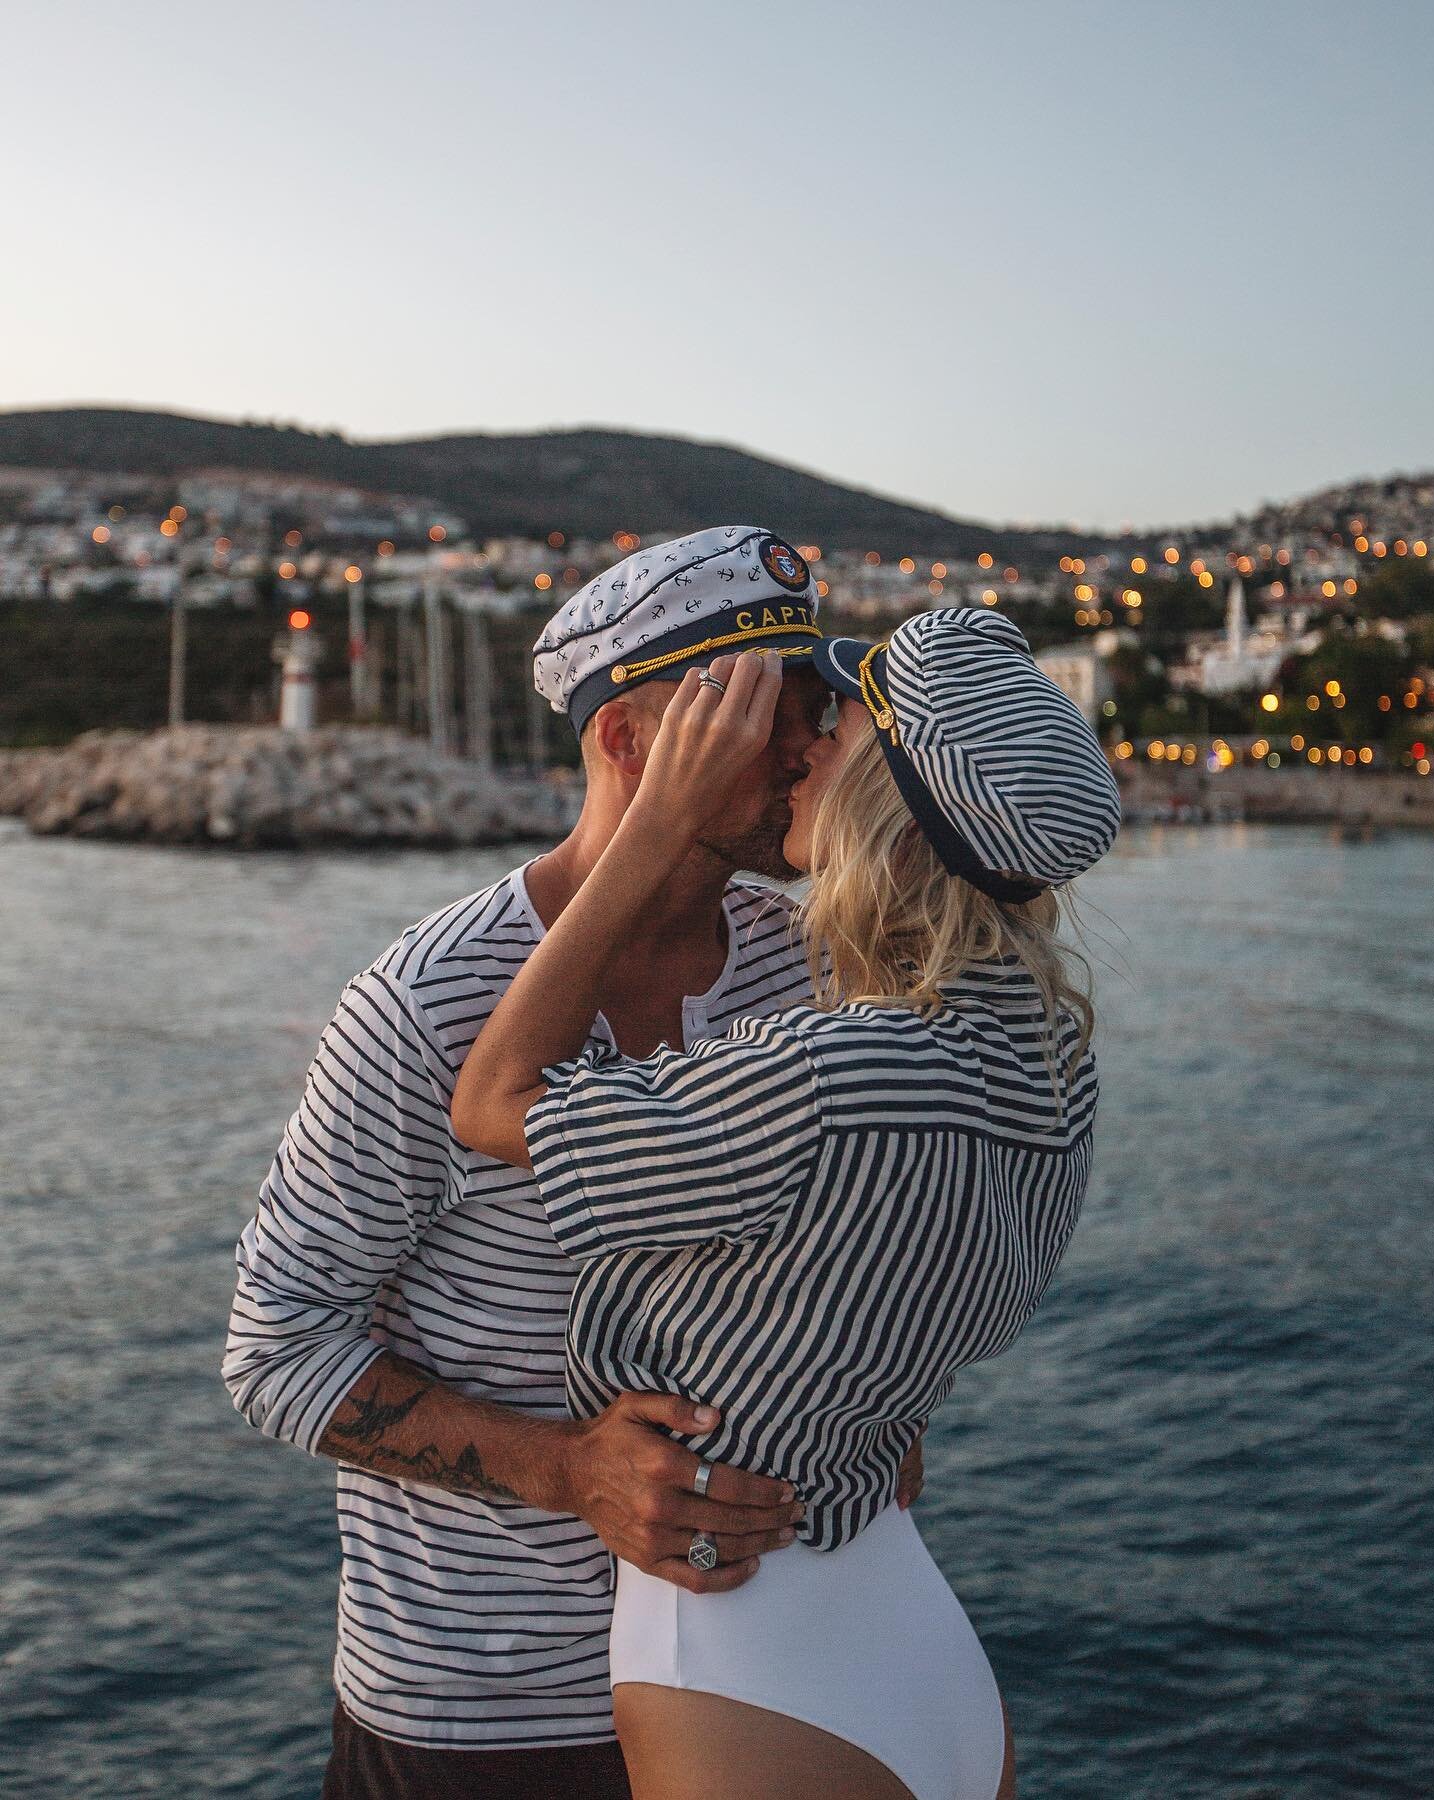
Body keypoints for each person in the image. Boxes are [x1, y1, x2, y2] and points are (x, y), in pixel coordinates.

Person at [223, 525, 923, 1799]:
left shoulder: (815, 964)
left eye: (823, 706)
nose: (814, 746)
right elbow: (275, 1349)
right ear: (629, 743)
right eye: (772, 710)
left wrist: (884, 1414)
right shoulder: (428, 1006)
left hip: (760, 1671)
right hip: (487, 1712)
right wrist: (575, 1475)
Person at [449, 607, 1122, 1800]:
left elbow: (496, 1100)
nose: (801, 745)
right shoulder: (1053, 1058)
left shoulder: (829, 1074)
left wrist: (651, 830)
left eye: (842, 723)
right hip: (908, 1628)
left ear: (891, 800)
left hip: (742, 1647)